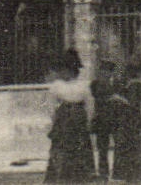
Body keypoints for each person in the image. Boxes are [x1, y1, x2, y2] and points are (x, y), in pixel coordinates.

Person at [44, 49, 96, 184]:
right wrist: (54, 120)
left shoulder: (83, 85)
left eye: (68, 69)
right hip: (63, 121)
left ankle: (81, 176)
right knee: (61, 148)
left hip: (79, 120)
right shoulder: (57, 86)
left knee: (80, 147)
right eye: (63, 69)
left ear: (74, 70)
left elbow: (89, 104)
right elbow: (50, 105)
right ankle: (61, 176)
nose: (64, 73)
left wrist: (89, 120)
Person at [111, 63, 141, 182]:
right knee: (134, 146)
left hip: (130, 119)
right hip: (133, 119)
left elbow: (131, 103)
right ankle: (134, 174)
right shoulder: (137, 85)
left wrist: (118, 98)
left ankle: (130, 174)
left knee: (129, 145)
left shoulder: (135, 86)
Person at [89, 63, 116, 179]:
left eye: (108, 71)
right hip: (101, 119)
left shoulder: (116, 84)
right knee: (102, 146)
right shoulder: (94, 84)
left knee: (118, 144)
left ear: (111, 73)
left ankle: (117, 170)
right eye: (103, 71)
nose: (105, 74)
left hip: (115, 117)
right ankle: (103, 170)